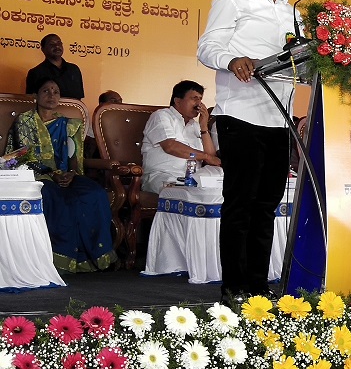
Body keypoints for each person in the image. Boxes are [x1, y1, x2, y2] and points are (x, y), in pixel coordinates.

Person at [197, 0, 303, 301]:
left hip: (280, 119)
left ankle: (258, 286)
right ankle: (233, 286)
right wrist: (232, 60)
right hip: (240, 115)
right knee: (240, 205)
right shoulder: (232, 0)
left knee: (267, 206)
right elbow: (207, 47)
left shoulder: (294, 13)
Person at [15, 78, 116, 272]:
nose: (51, 95)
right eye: (46, 91)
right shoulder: (25, 121)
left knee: (94, 193)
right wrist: (52, 174)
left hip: (66, 175)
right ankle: (60, 259)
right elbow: (24, 156)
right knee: (56, 198)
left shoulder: (69, 124)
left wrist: (71, 173)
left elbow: (73, 155)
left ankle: (96, 257)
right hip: (37, 176)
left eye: (56, 92)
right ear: (35, 96)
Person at [140, 80, 221, 192]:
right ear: (178, 101)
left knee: (221, 180)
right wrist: (206, 157)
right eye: (194, 98)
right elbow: (170, 146)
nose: (199, 104)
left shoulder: (195, 125)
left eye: (200, 99)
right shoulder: (161, 116)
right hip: (162, 175)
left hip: (193, 178)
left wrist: (203, 127)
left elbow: (212, 157)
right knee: (184, 191)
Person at [25, 34, 85, 100]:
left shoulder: (74, 69)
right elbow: (31, 100)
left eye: (59, 43)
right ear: (43, 49)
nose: (57, 46)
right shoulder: (36, 73)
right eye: (51, 44)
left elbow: (78, 100)